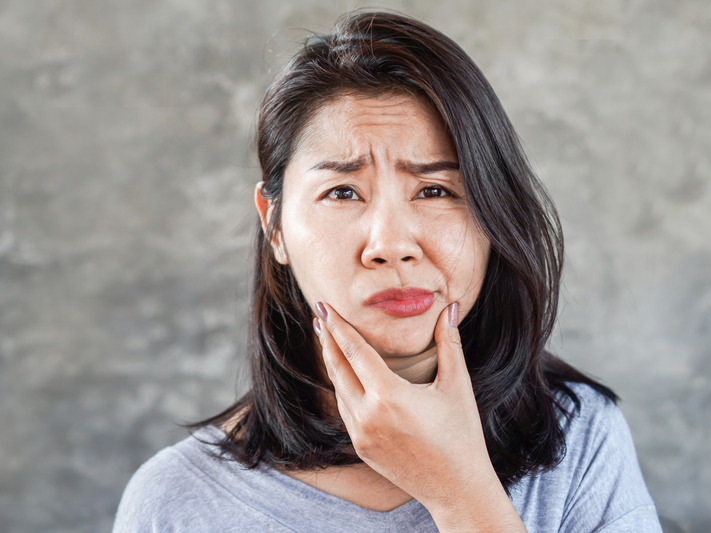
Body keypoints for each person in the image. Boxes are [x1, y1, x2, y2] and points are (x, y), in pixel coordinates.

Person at [113, 11, 661, 532]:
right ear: (274, 224)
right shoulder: (174, 502)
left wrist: (459, 491)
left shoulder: (578, 437)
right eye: (343, 192)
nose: (392, 246)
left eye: (435, 190)